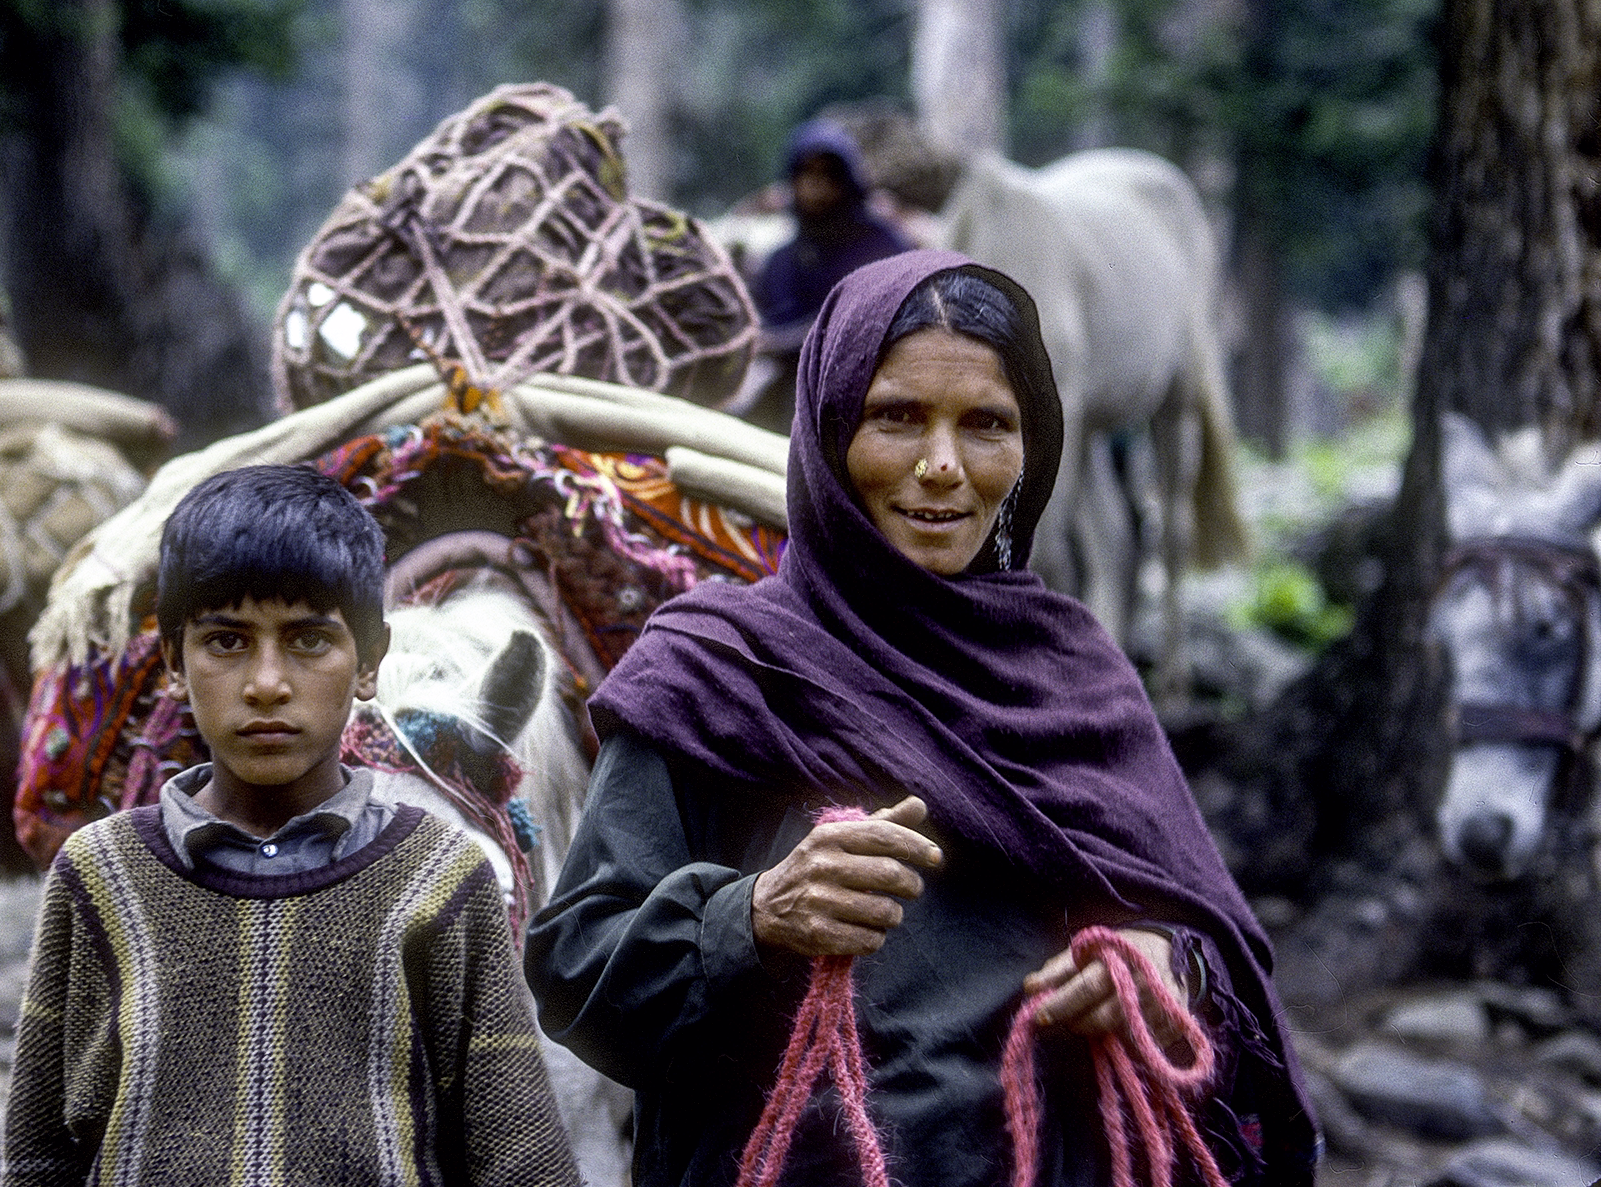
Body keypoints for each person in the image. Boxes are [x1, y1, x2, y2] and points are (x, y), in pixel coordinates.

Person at [526, 252, 1318, 1187]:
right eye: (896, 416)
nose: (942, 466)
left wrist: (1164, 965)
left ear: (1030, 448)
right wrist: (755, 915)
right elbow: (577, 972)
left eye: (986, 424)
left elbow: (1208, 940)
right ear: (830, 432)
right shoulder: (714, 670)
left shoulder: (1076, 676)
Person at [1, 464, 579, 1187]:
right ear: (174, 664)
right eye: (226, 642)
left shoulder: (443, 876)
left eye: (308, 641)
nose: (267, 683)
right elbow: (38, 1156)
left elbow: (520, 1161)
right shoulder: (100, 873)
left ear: (368, 663)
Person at [742, 120, 914, 432]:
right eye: (807, 173)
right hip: (795, 389)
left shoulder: (882, 246)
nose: (816, 185)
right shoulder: (783, 260)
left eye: (828, 174)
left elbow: (865, 326)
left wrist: (780, 343)